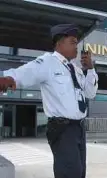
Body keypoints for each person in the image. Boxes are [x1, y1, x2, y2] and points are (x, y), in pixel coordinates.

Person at [0, 24, 98, 178]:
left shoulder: (76, 70)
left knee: (79, 173)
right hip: (62, 128)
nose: (76, 47)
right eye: (73, 42)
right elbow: (26, 72)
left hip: (79, 129)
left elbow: (90, 93)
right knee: (70, 173)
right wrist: (8, 78)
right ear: (59, 43)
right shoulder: (47, 62)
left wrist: (90, 69)